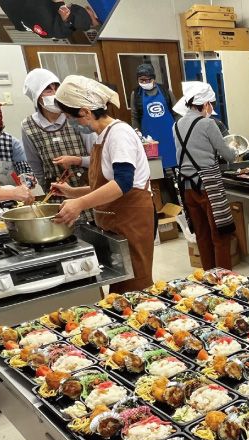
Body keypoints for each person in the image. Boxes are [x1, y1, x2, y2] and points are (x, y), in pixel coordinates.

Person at [52, 75, 154, 293]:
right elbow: (104, 186)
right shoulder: (102, 136)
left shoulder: (120, 134)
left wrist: (80, 204)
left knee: (136, 287)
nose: (71, 123)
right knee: (121, 285)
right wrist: (72, 193)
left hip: (131, 219)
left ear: (86, 112)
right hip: (115, 221)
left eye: (71, 117)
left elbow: (123, 183)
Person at [172, 81, 237, 271]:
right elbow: (228, 155)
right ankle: (224, 278)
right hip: (207, 186)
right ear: (206, 103)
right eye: (211, 104)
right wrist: (234, 150)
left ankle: (209, 277)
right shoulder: (208, 124)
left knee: (202, 234)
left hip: (186, 186)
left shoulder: (176, 125)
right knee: (219, 234)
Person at [21, 68, 95, 193]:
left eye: (57, 88)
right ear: (36, 96)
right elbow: (35, 164)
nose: (54, 93)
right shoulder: (28, 126)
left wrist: (76, 160)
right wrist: (45, 187)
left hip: (86, 187)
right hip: (56, 192)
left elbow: (96, 157)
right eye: (48, 90)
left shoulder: (76, 116)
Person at [130, 63, 178, 172]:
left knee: (175, 164)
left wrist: (181, 131)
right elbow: (135, 116)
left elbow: (176, 112)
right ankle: (160, 187)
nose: (145, 82)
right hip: (150, 140)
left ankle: (175, 185)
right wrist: (137, 134)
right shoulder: (135, 94)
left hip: (170, 136)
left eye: (148, 80)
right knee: (156, 170)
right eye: (142, 80)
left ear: (153, 79)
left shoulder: (165, 91)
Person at [0, 0, 92, 39]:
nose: (67, 5)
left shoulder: (45, 11)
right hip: (15, 12)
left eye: (69, 6)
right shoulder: (62, 31)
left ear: (66, 12)